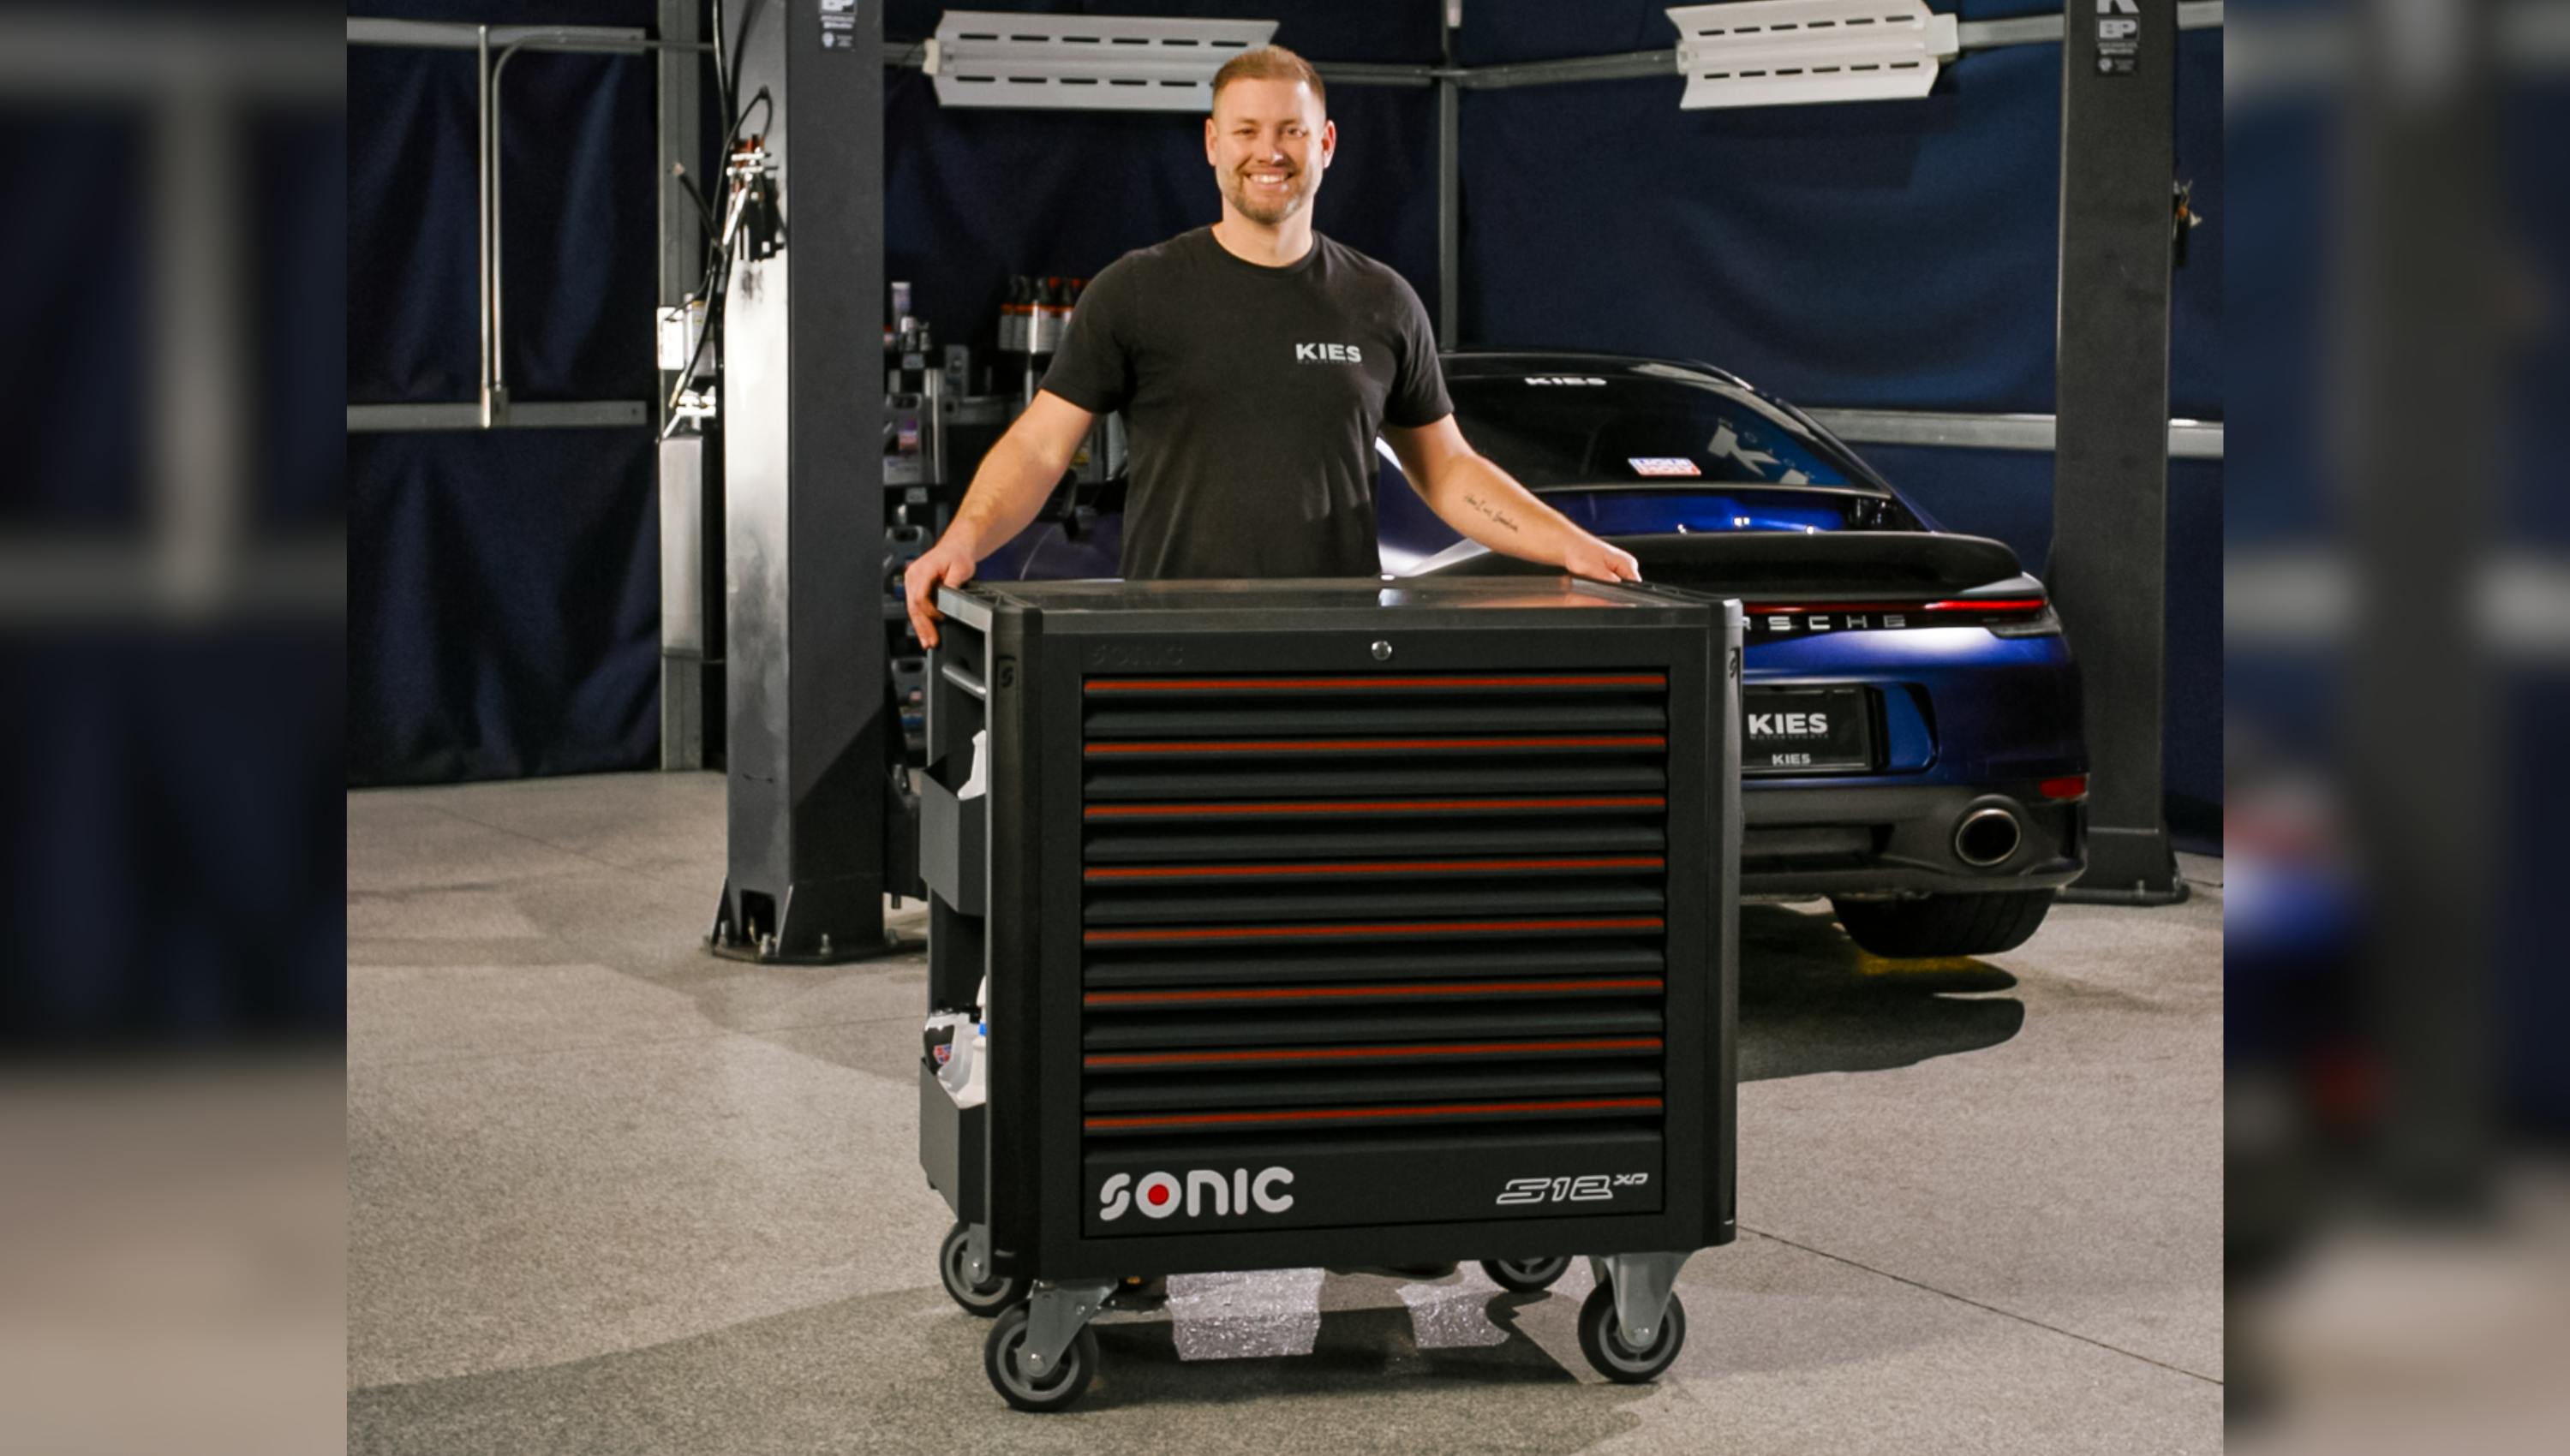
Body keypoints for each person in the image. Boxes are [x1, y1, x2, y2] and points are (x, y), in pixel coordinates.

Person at [903, 44, 1639, 647]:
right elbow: (1039, 448)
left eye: (1290, 130)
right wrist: (963, 540)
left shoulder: (1381, 300)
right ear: (1213, 143)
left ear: (1325, 143)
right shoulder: (1137, 290)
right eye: (1248, 131)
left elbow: (1447, 471)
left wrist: (1568, 545)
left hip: (1337, 647)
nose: (1270, 152)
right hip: (1172, 646)